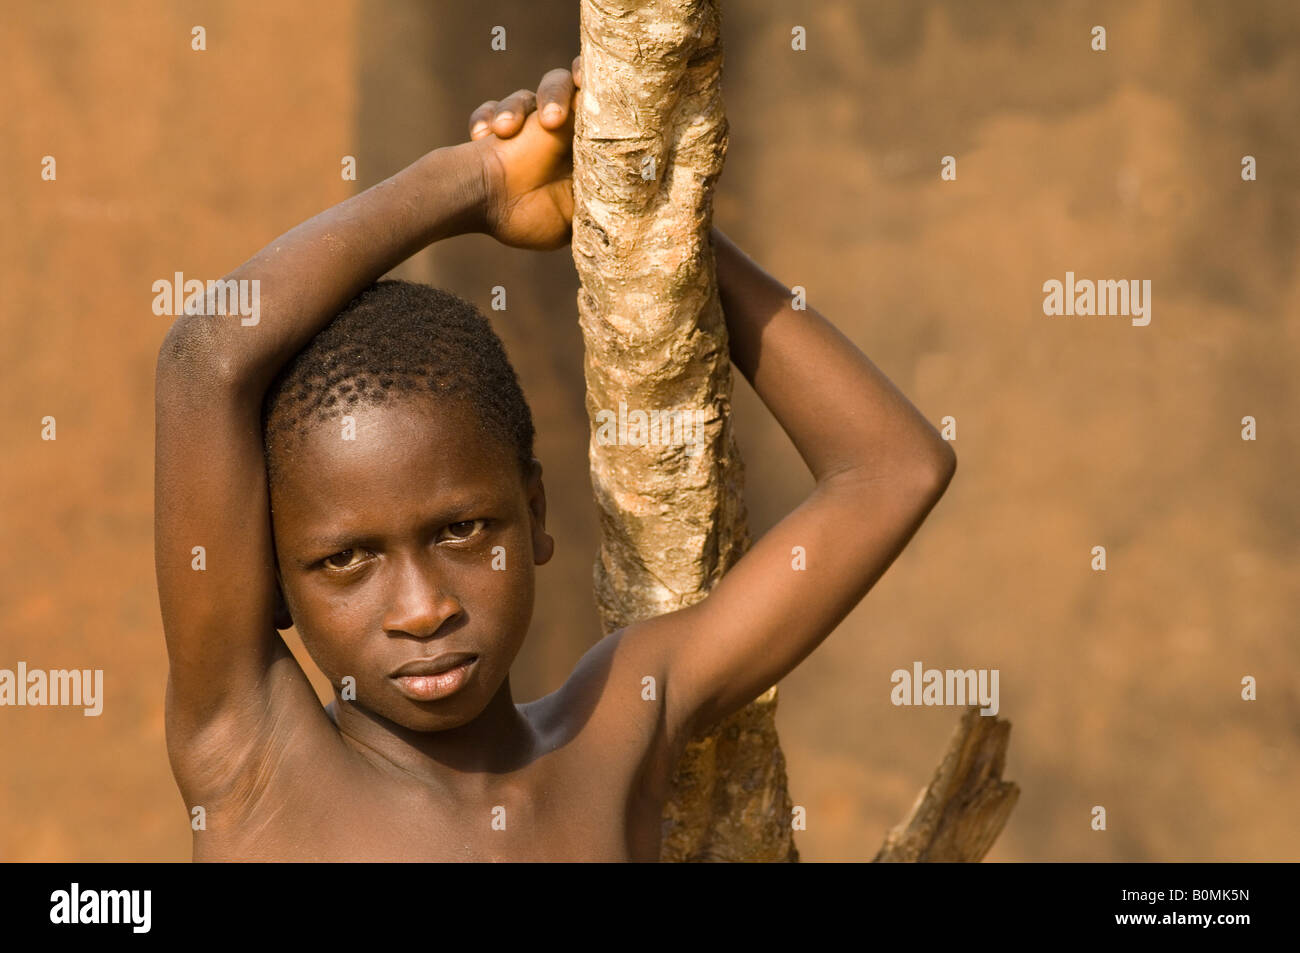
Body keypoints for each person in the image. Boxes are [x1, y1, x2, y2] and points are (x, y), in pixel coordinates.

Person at [154, 56, 956, 861]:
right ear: (277, 586)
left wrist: (629, 220)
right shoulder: (256, 767)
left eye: (462, 528)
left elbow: (893, 468)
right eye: (346, 558)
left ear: (534, 512)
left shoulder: (617, 725)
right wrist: (474, 182)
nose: (423, 607)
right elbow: (205, 354)